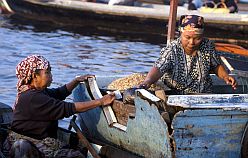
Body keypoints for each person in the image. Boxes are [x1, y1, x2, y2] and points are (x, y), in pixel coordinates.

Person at [3, 55, 116, 157]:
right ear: (35, 76)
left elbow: (59, 93)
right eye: (47, 72)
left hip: (39, 141)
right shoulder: (32, 97)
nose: (51, 76)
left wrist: (76, 81)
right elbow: (67, 108)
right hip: (28, 143)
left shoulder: (39, 92)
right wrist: (100, 101)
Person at [140, 15, 237, 95]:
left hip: (203, 95)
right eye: (187, 37)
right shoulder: (172, 49)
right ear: (181, 34)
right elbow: (159, 67)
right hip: (175, 94)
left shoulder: (208, 46)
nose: (192, 42)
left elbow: (216, 66)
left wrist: (225, 77)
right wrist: (147, 81)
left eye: (197, 38)